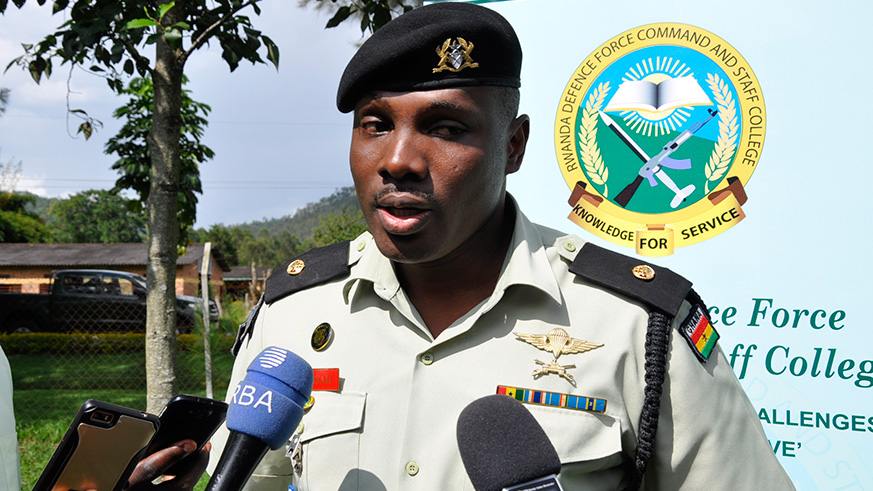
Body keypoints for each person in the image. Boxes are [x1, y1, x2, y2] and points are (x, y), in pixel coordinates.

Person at [209, 3, 795, 490]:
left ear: (513, 146)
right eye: (375, 124)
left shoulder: (637, 324)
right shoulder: (296, 310)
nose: (396, 161)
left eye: (446, 129)